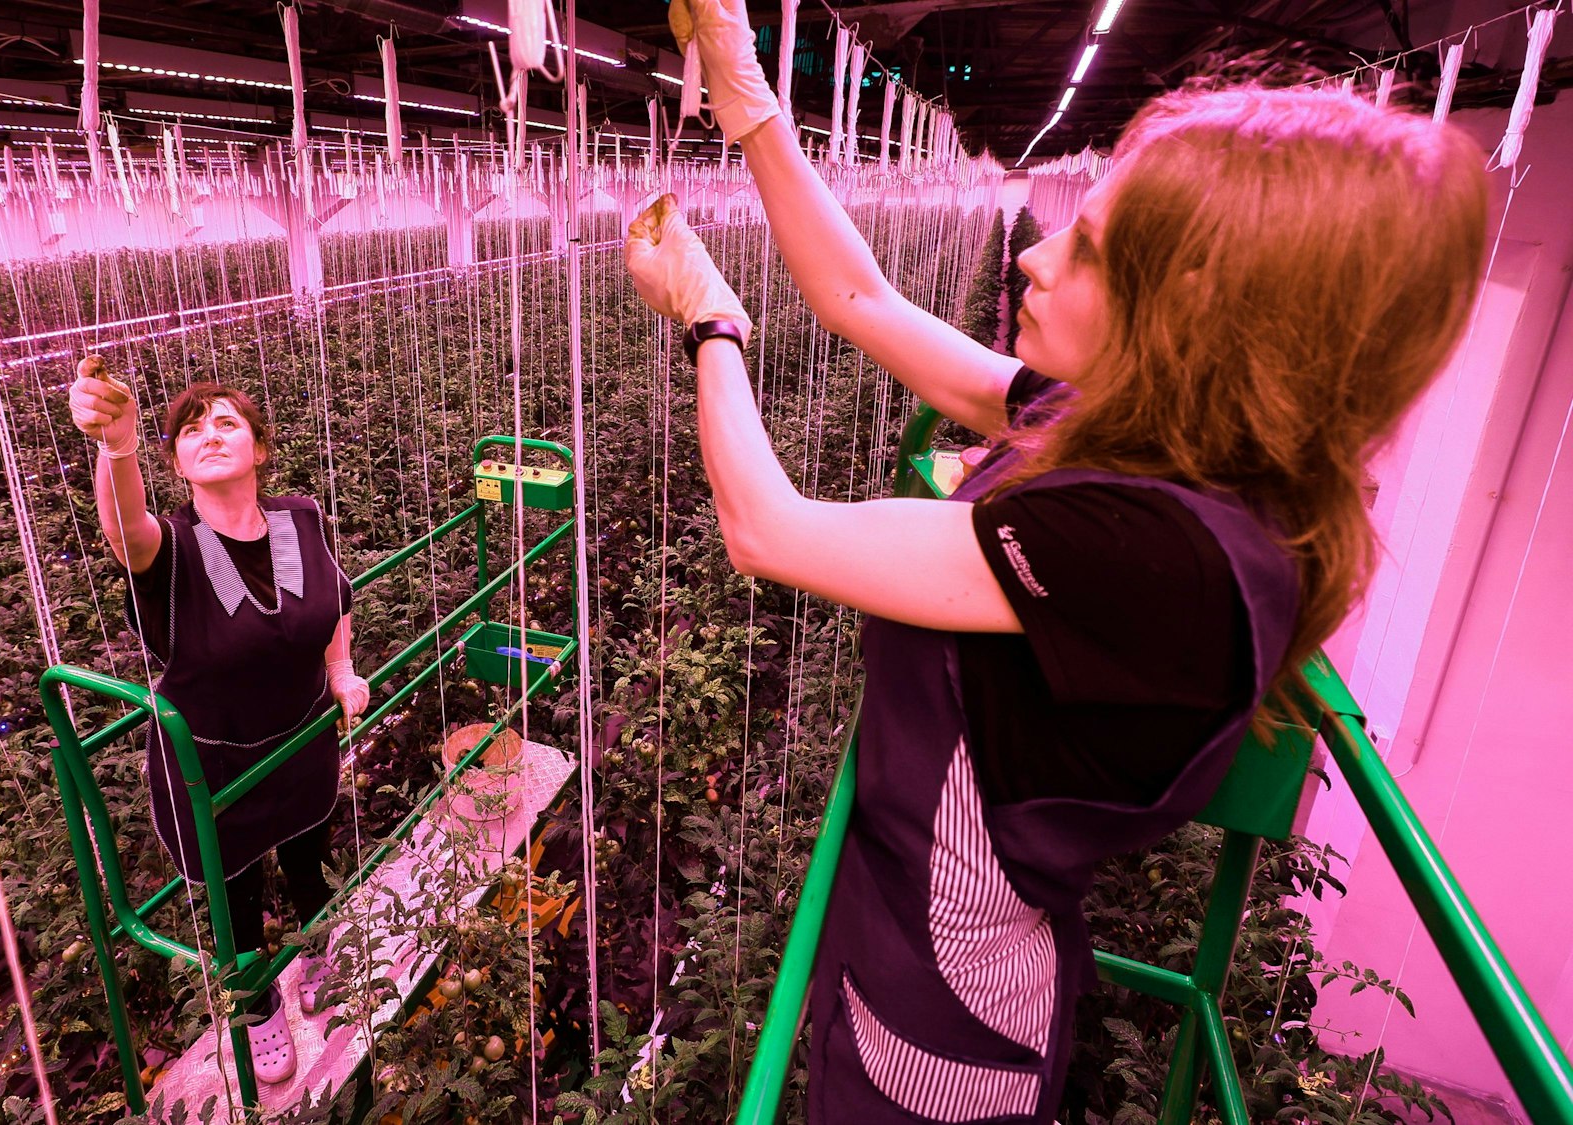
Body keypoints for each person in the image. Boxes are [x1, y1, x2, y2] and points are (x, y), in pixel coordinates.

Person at [629, 1, 1488, 1120]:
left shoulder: (1160, 549)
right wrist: (750, 106)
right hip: (921, 952)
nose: (1031, 255)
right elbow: (862, 302)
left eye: (1084, 248)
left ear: (1190, 311)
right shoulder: (1150, 435)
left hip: (940, 1029)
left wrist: (711, 325)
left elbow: (768, 530)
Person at [67, 358, 371, 1085]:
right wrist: (118, 444)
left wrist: (340, 670)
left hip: (300, 741)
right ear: (176, 463)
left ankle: (319, 954)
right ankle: (258, 1007)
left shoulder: (302, 518)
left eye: (228, 422)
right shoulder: (168, 548)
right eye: (191, 430)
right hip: (214, 764)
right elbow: (124, 529)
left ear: (258, 449)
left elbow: (335, 601)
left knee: (309, 860)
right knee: (235, 898)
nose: (210, 433)